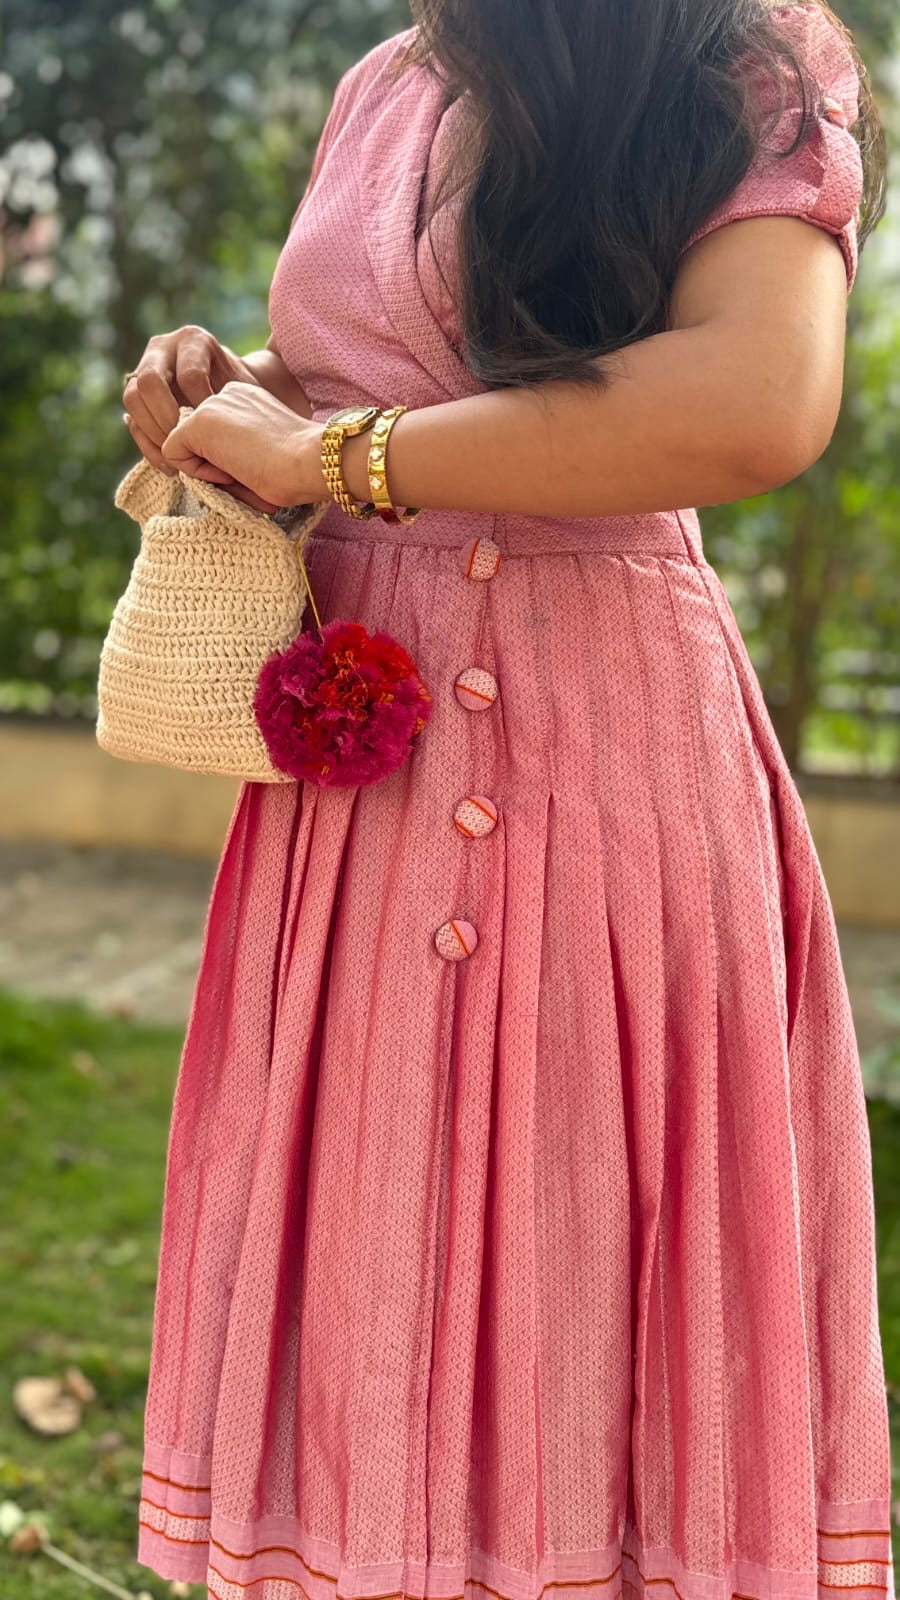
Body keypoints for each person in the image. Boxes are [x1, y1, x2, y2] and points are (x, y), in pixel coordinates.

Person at [122, 3, 895, 1598]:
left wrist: (335, 456)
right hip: (365, 768)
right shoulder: (388, 77)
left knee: (590, 1231)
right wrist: (237, 389)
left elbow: (757, 402)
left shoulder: (733, 57)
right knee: (364, 1223)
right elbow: (375, 375)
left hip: (601, 741)